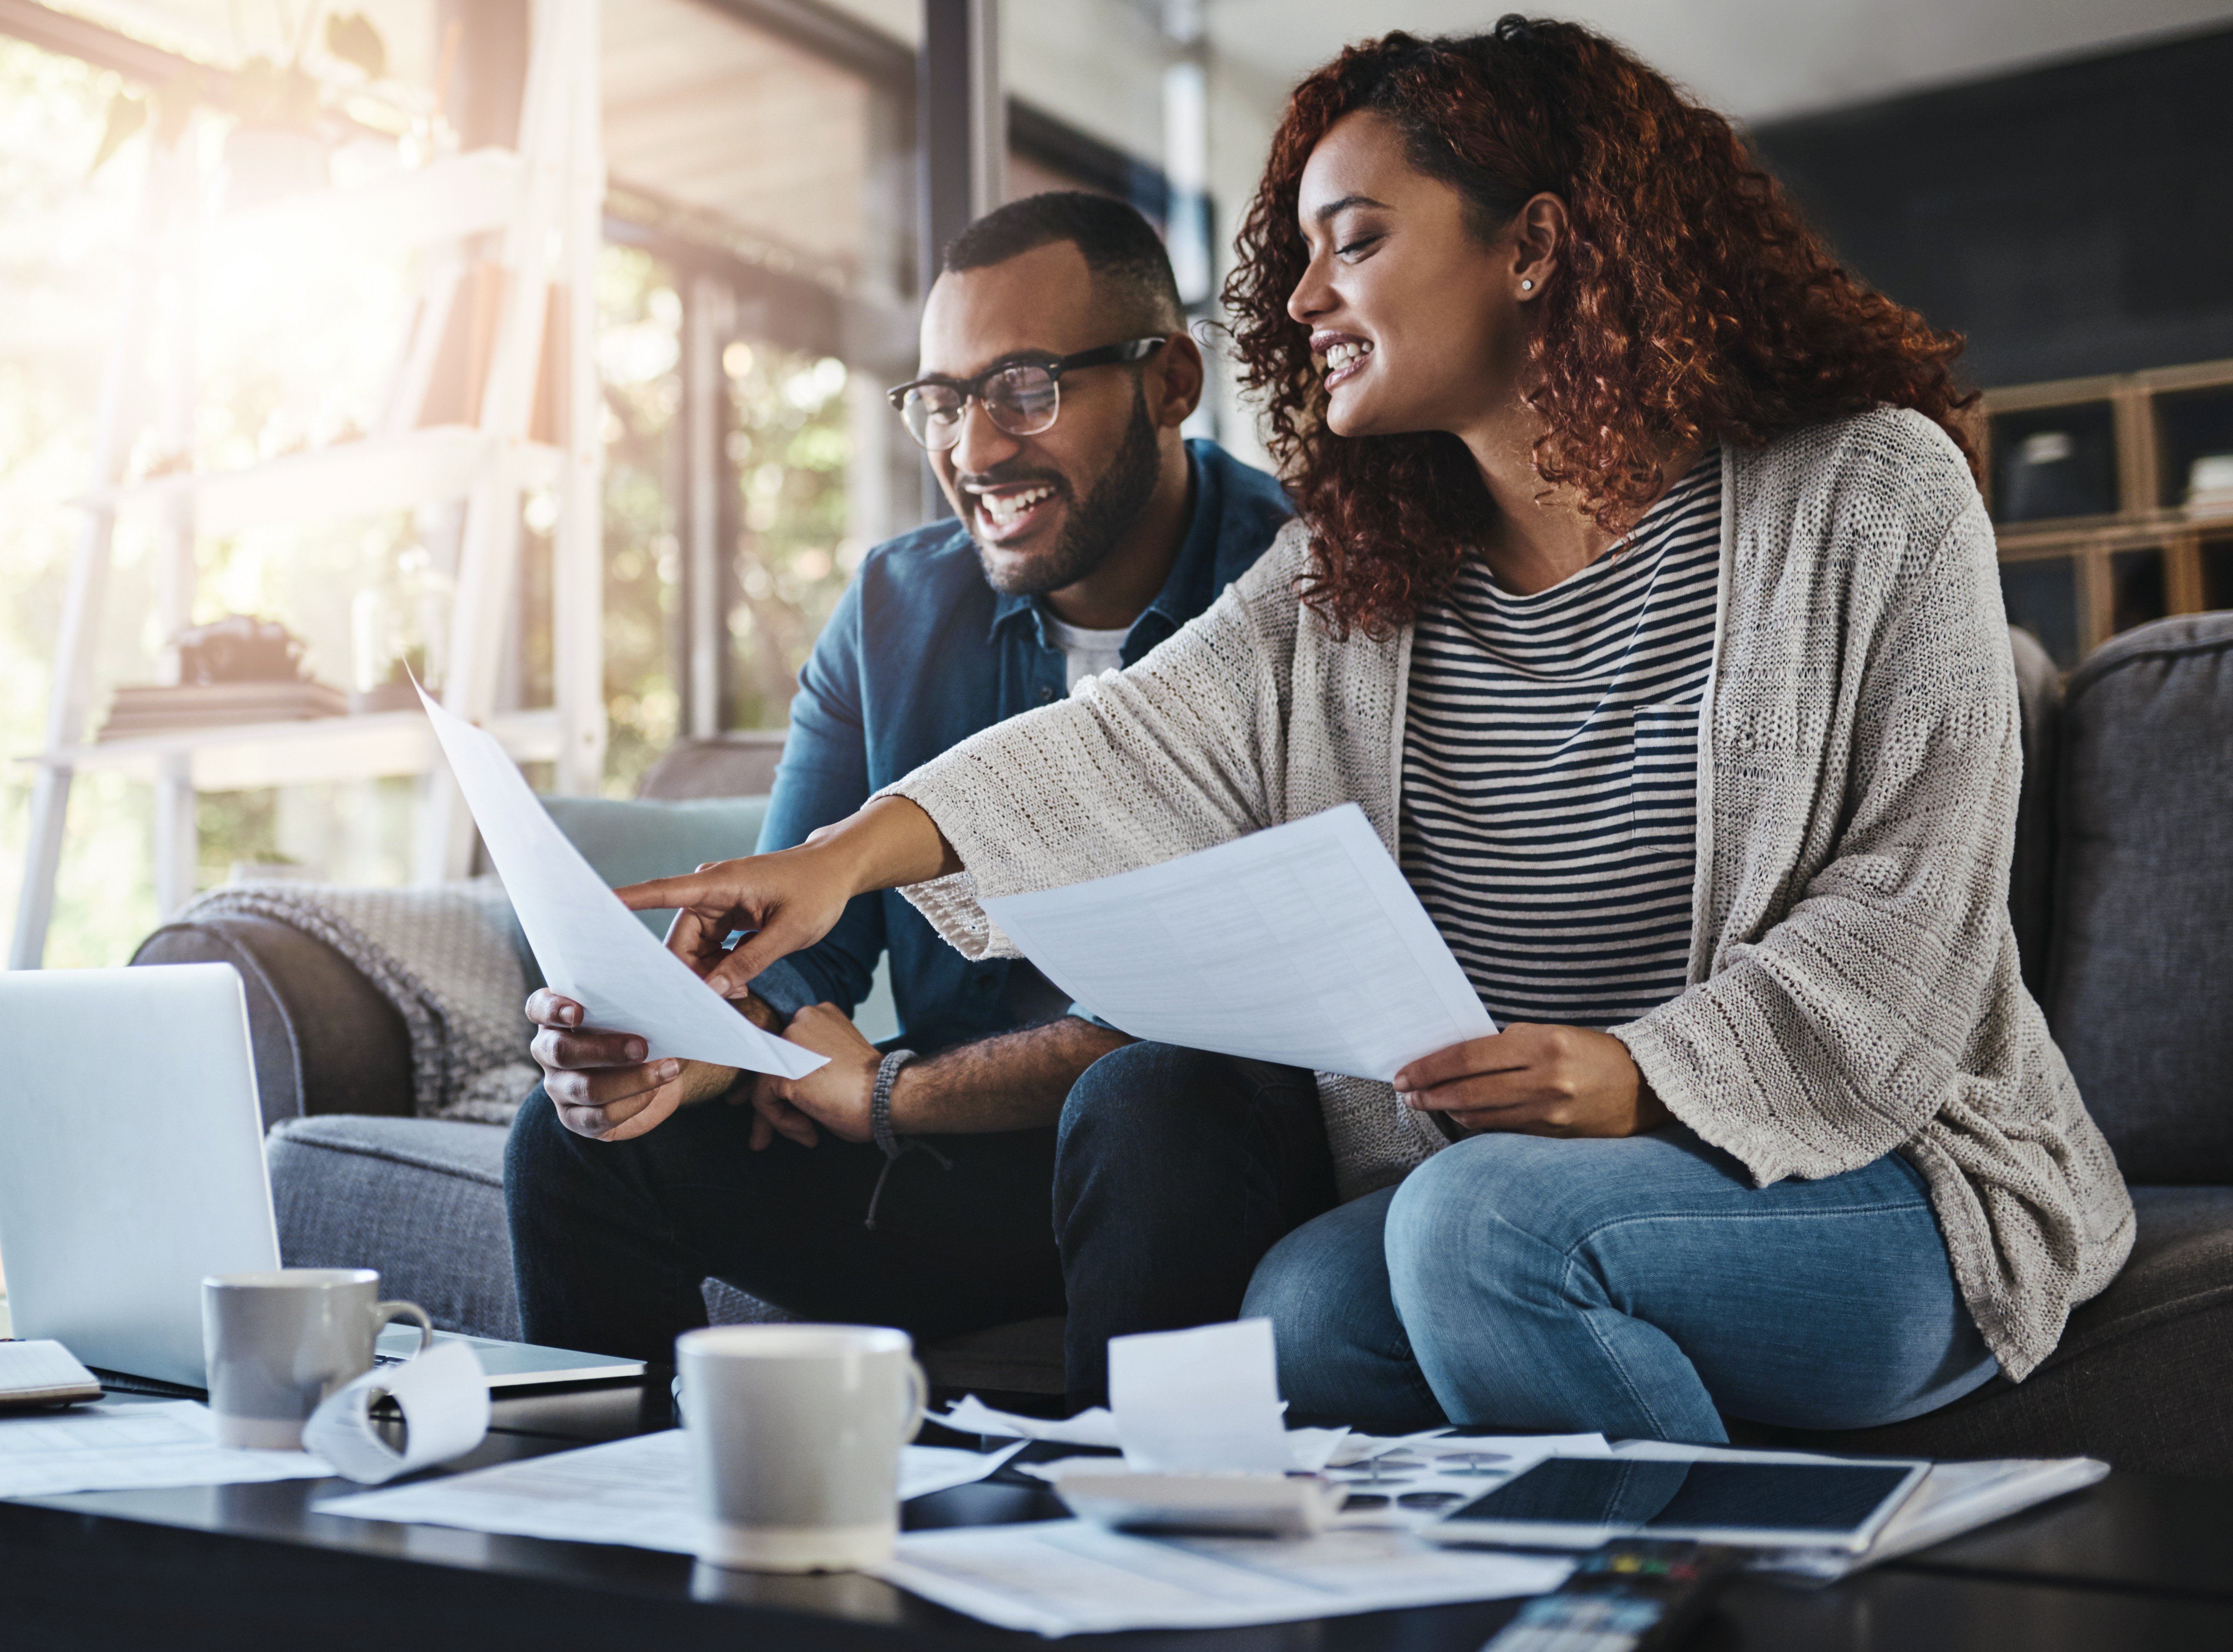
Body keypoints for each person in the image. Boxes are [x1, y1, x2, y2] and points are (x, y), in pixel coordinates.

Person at [615, 18, 2134, 1444]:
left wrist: (1635, 1074)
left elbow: (1909, 919)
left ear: (1533, 246)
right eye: (1300, 258)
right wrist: (834, 861)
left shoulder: (1868, 495)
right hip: (1507, 1189)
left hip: (1875, 1180)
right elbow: (1125, 745)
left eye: (1355, 242)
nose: (1298, 300)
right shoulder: (1356, 580)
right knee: (1298, 1313)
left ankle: (1663, 1601)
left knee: (1471, 1230)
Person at [503, 191, 1296, 1404]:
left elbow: (1225, 1017)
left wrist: (880, 1094)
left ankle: (1128, 1561)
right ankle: (633, 1559)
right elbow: (786, 968)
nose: (973, 451)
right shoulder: (894, 609)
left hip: (1194, 1169)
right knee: (578, 1137)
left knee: (1153, 1101)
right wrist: (671, 1058)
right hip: (954, 1172)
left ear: (1168, 380)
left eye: (1025, 388)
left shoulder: (1304, 586)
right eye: (941, 400)